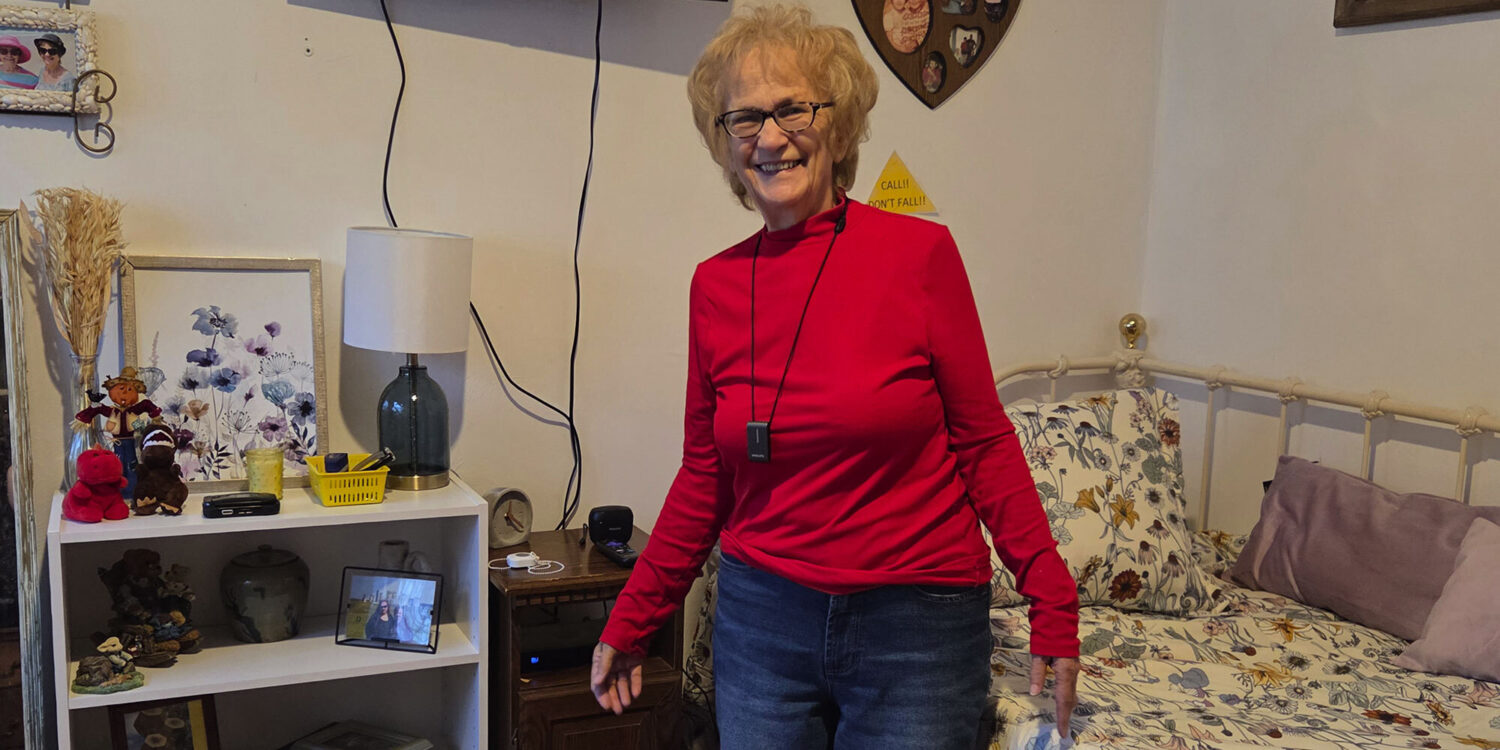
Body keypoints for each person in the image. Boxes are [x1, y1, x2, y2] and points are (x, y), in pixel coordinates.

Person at [590, 4, 1080, 748]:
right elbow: (705, 474)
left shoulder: (919, 257)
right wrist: (634, 618)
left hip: (917, 622)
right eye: (745, 118)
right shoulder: (715, 286)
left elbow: (984, 443)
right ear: (726, 145)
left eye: (794, 108)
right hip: (762, 619)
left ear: (840, 126)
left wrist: (1051, 599)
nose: (770, 137)